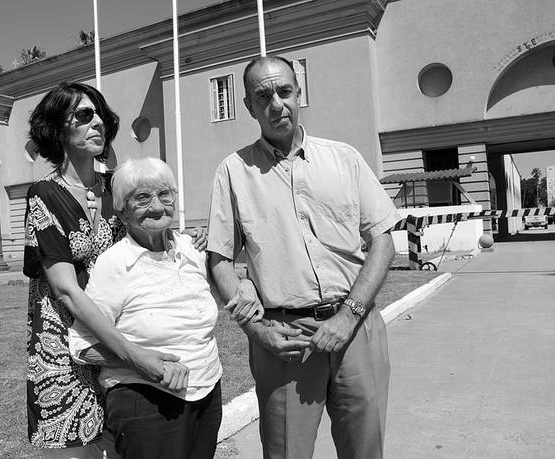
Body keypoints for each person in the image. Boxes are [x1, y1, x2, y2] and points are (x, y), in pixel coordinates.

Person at [206, 56, 401, 459]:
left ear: (299, 93)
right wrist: (257, 331)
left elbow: (383, 241)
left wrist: (348, 316)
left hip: (357, 328)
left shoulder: (344, 159)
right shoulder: (233, 172)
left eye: (285, 91)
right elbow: (219, 260)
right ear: (248, 107)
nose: (277, 104)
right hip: (285, 341)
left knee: (366, 451)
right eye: (263, 96)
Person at [23, 83, 205, 458]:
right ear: (58, 129)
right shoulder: (44, 193)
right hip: (65, 347)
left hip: (117, 342)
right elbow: (67, 290)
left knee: (130, 444)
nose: (98, 123)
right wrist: (132, 354)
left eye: (100, 115)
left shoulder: (115, 187)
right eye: (84, 116)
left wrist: (186, 239)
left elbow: (148, 232)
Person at [69, 157, 224, 459]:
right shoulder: (114, 264)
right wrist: (142, 363)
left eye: (164, 194)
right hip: (146, 401)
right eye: (142, 198)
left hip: (207, 391)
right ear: (123, 211)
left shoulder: (191, 250)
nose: (156, 206)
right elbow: (81, 345)